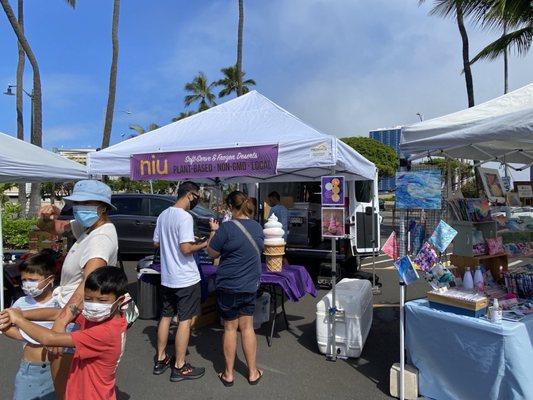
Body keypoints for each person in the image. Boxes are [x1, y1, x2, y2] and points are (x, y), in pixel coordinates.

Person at [29, 179, 119, 398]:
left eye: (84, 204)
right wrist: (47, 217)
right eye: (76, 204)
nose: (78, 208)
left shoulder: (100, 240)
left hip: (73, 321)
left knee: (67, 389)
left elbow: (87, 287)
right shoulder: (89, 228)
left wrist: (60, 323)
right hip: (68, 316)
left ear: (102, 208)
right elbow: (54, 228)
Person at [0, 267, 128, 400]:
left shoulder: (106, 332)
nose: (94, 305)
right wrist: (22, 314)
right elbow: (57, 313)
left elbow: (49, 339)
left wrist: (18, 319)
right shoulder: (104, 317)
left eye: (102, 300)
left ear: (119, 301)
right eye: (88, 299)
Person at [207, 191, 264, 387]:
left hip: (228, 285)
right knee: (247, 327)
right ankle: (253, 372)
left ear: (231, 206)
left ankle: (228, 373)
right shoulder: (257, 227)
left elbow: (212, 252)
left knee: (230, 328)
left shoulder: (227, 228)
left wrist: (213, 231)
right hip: (249, 285)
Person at [153, 181, 207, 381]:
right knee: (184, 321)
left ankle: (160, 359)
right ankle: (180, 365)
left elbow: (156, 242)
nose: (197, 200)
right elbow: (185, 249)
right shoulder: (184, 217)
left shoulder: (163, 215)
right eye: (197, 196)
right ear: (191, 195)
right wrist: (203, 243)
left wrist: (175, 241)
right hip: (185, 277)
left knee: (166, 316)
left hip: (167, 277)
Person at [0, 251, 58, 400]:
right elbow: (7, 327)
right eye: (24, 280)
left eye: (32, 280)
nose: (27, 284)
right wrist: (28, 335)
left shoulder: (60, 301)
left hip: (57, 367)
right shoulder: (20, 303)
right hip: (31, 369)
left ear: (50, 279)